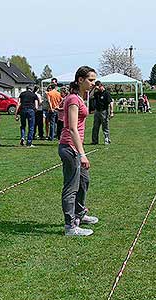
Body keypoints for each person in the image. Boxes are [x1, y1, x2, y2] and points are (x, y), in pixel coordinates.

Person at [59, 66, 98, 236]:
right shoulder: (74, 99)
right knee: (71, 187)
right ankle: (70, 227)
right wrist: (82, 154)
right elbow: (73, 128)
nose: (93, 83)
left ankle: (80, 214)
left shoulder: (78, 98)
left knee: (84, 181)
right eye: (90, 80)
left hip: (75, 146)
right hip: (70, 147)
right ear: (80, 80)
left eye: (94, 80)